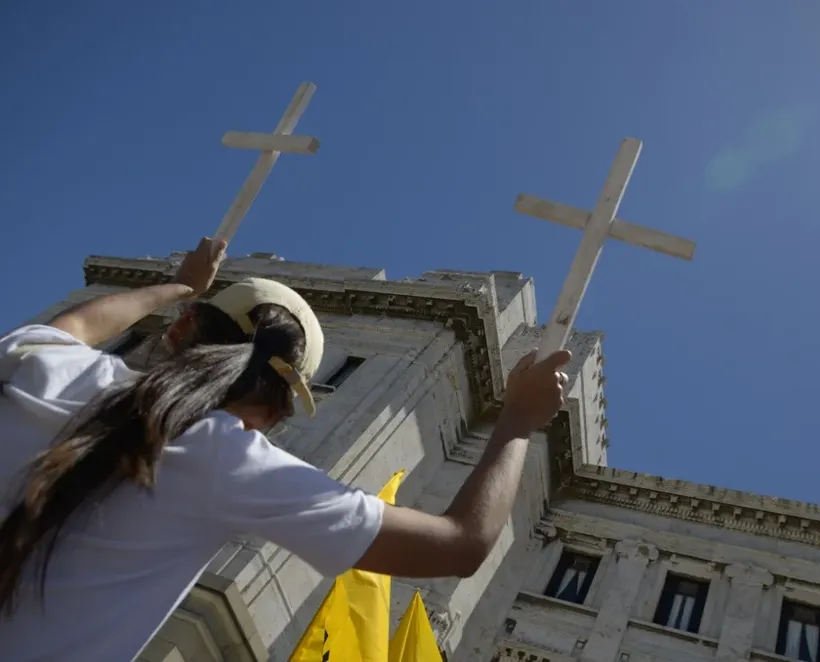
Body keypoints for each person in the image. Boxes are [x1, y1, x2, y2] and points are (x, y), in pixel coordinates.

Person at [0, 237, 571, 661]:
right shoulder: (231, 462)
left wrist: (181, 287)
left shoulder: (40, 361)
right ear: (273, 412)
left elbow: (75, 323)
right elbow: (461, 545)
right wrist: (519, 417)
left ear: (177, 332)